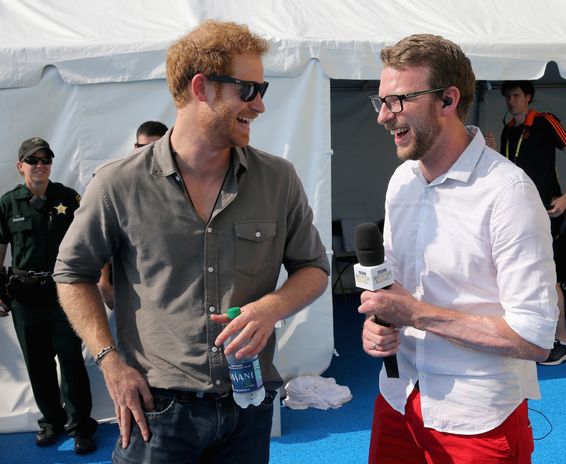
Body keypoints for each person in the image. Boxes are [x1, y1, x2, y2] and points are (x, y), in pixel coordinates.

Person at [54, 20, 329, 464]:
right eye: (248, 89)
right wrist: (109, 362)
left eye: (264, 89)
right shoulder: (118, 184)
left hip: (249, 404)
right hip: (157, 414)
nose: (259, 105)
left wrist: (271, 307)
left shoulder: (278, 179)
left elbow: (314, 268)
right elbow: (71, 273)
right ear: (202, 87)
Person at [359, 34, 558, 463]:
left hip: (476, 418)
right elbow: (394, 289)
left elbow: (536, 336)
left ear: (447, 100)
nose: (383, 117)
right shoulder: (402, 182)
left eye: (397, 101)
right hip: (397, 397)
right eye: (381, 102)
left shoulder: (509, 193)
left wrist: (415, 314)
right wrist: (378, 324)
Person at [0, 137, 98, 454]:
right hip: (25, 297)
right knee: (38, 364)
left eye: (46, 159)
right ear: (20, 166)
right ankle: (51, 422)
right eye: (33, 160)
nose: (40, 165)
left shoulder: (68, 199)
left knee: (71, 361)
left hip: (64, 294)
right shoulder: (7, 203)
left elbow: (87, 241)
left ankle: (81, 427)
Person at [486, 80, 566, 365]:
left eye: (516, 95)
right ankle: (533, 336)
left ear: (528, 97)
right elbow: (509, 171)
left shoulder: (545, 122)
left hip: (545, 212)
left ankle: (564, 342)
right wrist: (492, 151)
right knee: (522, 275)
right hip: (519, 213)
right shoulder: (508, 130)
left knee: (547, 278)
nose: (511, 101)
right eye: (507, 96)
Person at [98, 120, 169, 308]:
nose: (147, 153)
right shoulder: (118, 182)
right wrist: (104, 282)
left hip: (167, 288)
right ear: (135, 146)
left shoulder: (178, 184)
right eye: (142, 147)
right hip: (129, 288)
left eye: (154, 147)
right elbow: (101, 236)